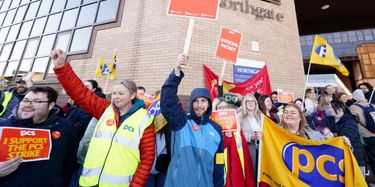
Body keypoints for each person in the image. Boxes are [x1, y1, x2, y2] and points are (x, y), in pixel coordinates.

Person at [51, 49, 155, 187]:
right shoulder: (105, 109)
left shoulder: (144, 119)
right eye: (114, 93)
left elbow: (147, 159)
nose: (115, 97)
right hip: (89, 182)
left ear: (132, 95)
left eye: (120, 93)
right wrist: (62, 67)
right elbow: (79, 93)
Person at [160, 53, 224, 187]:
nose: (199, 105)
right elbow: (167, 101)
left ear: (209, 104)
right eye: (195, 101)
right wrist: (177, 71)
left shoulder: (217, 129)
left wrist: (218, 184)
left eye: (203, 101)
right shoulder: (181, 122)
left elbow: (219, 161)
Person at [0, 86, 78, 186]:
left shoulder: (64, 127)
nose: (28, 105)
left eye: (37, 101)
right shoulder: (3, 126)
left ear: (51, 105)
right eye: (25, 100)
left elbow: (70, 160)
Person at [212, 98, 256, 187]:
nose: (224, 109)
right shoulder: (212, 126)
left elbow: (244, 150)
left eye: (225, 107)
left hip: (237, 167)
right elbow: (214, 148)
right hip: (222, 168)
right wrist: (227, 138)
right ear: (215, 110)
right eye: (220, 107)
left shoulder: (235, 124)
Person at [329, 101, 365, 175]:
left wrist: (332, 135)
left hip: (355, 157)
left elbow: (347, 136)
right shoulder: (333, 119)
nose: (329, 110)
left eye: (331, 108)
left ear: (339, 109)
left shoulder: (349, 121)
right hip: (344, 157)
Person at [238, 94, 263, 178]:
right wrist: (251, 137)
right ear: (244, 103)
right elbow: (238, 134)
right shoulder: (239, 116)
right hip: (248, 149)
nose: (250, 103)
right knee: (250, 173)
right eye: (248, 101)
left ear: (256, 103)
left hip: (260, 149)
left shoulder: (260, 116)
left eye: (253, 101)